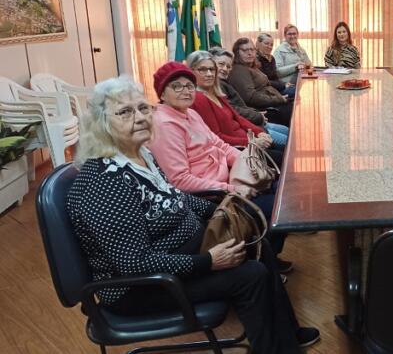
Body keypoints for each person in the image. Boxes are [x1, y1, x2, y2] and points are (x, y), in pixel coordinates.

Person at [66, 77, 319, 353]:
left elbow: (176, 198)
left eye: (143, 108)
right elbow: (134, 263)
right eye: (125, 112)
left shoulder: (140, 155)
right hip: (140, 288)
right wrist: (206, 262)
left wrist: (222, 209)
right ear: (101, 124)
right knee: (251, 276)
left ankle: (287, 336)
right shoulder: (104, 183)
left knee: (260, 245)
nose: (139, 118)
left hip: (178, 254)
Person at [146, 62, 290, 263]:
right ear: (162, 94)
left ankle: (266, 256)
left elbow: (219, 144)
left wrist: (246, 164)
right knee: (279, 207)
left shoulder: (191, 113)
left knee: (281, 189)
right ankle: (262, 260)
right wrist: (231, 188)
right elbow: (179, 181)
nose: (186, 91)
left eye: (189, 85)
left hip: (229, 178)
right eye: (176, 86)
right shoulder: (164, 125)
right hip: (211, 197)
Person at [187, 50, 274, 148]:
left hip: (250, 138)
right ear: (191, 71)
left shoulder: (217, 92)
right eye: (202, 69)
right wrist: (251, 142)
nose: (209, 74)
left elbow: (238, 118)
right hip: (239, 149)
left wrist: (259, 132)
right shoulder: (198, 98)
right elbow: (216, 137)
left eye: (212, 69)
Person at [210, 47, 289, 148]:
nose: (225, 69)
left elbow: (237, 108)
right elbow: (238, 108)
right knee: (287, 141)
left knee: (287, 131)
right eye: (221, 64)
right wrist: (257, 116)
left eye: (228, 66)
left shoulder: (223, 82)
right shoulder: (216, 86)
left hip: (251, 121)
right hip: (246, 129)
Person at [229, 37, 293, 127]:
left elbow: (267, 84)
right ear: (237, 52)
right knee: (293, 114)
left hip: (272, 102)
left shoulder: (251, 66)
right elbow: (250, 97)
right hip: (264, 110)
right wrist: (278, 99)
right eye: (245, 50)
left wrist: (279, 97)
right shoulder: (239, 70)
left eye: (252, 49)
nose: (249, 53)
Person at [256, 33, 295, 98]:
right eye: (266, 43)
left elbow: (275, 77)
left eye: (271, 45)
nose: (269, 47)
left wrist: (284, 83)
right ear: (258, 43)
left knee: (294, 88)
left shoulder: (271, 58)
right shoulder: (256, 59)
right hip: (266, 91)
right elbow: (264, 82)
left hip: (274, 88)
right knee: (293, 91)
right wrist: (283, 85)